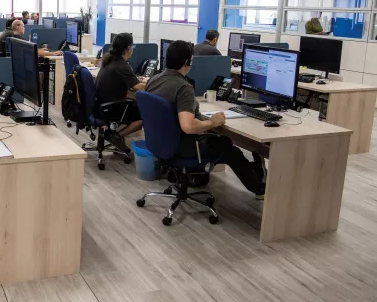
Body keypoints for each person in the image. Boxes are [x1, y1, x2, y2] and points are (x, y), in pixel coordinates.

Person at [145, 40, 266, 199]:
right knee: (227, 146)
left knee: (217, 138)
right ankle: (259, 188)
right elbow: (188, 126)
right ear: (187, 62)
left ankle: (255, 172)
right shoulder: (183, 87)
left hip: (159, 141)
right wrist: (212, 122)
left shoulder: (154, 80)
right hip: (179, 145)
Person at [95, 33, 146, 152]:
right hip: (111, 107)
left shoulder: (109, 60)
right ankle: (115, 136)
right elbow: (139, 88)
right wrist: (154, 83)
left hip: (101, 104)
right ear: (128, 48)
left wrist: (135, 79)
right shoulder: (121, 65)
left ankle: (114, 136)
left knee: (136, 105)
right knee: (146, 114)